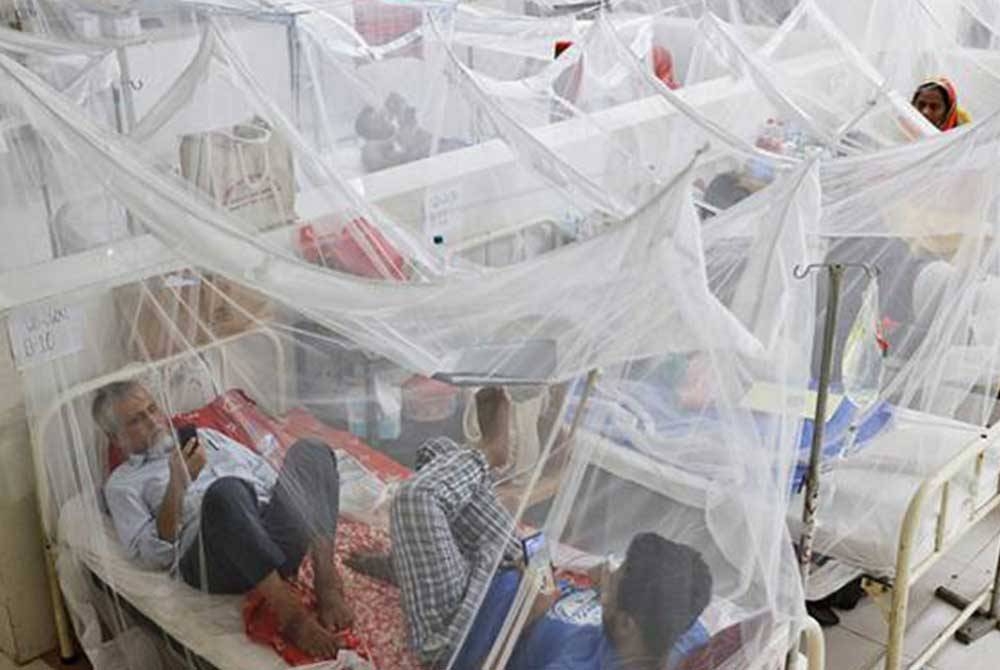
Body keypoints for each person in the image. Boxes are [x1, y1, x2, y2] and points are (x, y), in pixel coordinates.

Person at [349, 387, 713, 669]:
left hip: (464, 622)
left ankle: (490, 455)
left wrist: (531, 613)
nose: (611, 571)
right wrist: (581, 582)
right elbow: (754, 636)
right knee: (437, 453)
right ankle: (413, 565)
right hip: (523, 575)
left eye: (621, 574)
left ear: (627, 625)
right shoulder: (681, 630)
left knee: (417, 498)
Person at [93, 381, 352, 657]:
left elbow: (270, 480)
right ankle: (289, 613)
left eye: (152, 409)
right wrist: (178, 483)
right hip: (212, 559)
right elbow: (150, 554)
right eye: (136, 420)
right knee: (226, 493)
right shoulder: (122, 485)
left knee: (311, 450)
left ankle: (326, 579)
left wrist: (287, 511)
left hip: (268, 537)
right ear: (116, 438)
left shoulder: (206, 436)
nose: (153, 421)